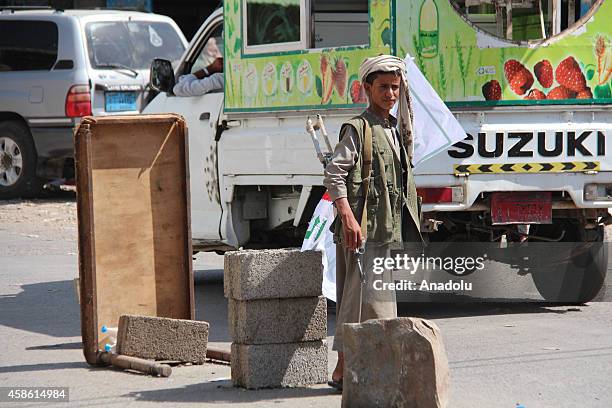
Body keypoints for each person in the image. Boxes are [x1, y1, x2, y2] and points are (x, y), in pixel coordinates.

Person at [323, 55, 422, 391]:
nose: (390, 94)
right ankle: (344, 370)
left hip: (386, 229)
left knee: (373, 301)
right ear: (367, 88)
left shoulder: (396, 128)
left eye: (395, 87)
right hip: (361, 230)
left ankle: (352, 371)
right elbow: (335, 173)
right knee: (361, 302)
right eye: (383, 87)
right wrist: (348, 217)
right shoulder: (358, 128)